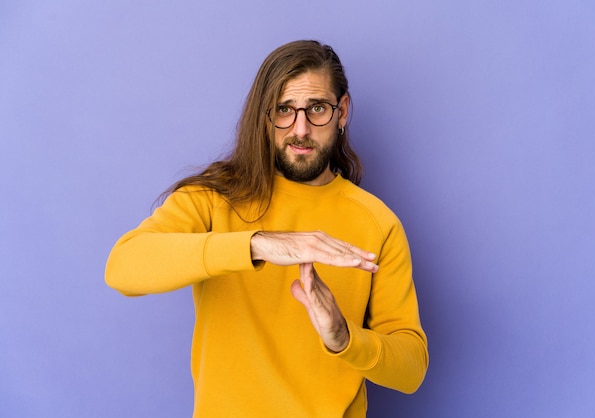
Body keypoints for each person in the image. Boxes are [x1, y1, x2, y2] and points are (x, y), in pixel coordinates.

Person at [105, 39, 428, 417]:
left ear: (342, 112)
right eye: (284, 110)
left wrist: (345, 338)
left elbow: (411, 370)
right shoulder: (213, 199)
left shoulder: (378, 222)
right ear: (264, 115)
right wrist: (255, 244)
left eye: (317, 109)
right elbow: (123, 267)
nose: (300, 129)